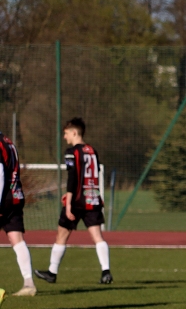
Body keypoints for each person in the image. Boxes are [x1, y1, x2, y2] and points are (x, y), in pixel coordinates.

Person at [34, 118, 111, 285]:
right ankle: (106, 271)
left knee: (61, 235)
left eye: (66, 133)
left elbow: (73, 177)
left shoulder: (72, 152)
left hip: (77, 200)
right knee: (97, 236)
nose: (64, 137)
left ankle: (52, 272)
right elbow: (95, 173)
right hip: (93, 198)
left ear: (74, 133)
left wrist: (68, 203)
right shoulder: (92, 151)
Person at [0, 130, 35, 296]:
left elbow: (0, 174)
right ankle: (29, 284)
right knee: (17, 239)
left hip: (4, 198)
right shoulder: (8, 142)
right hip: (15, 195)